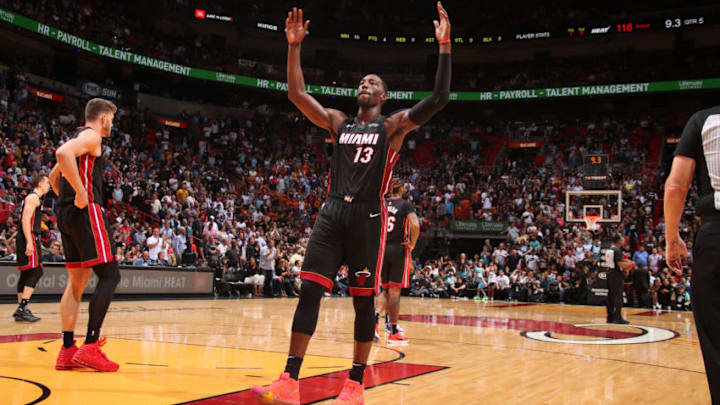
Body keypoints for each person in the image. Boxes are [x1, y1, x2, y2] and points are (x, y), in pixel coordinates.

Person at [253, 3, 451, 404]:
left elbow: (439, 98)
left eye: (372, 81)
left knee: (363, 304)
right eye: (361, 80)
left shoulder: (392, 126)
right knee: (309, 292)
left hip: (369, 216)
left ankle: (356, 384)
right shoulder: (338, 122)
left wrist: (445, 46)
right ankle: (289, 379)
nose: (364, 83)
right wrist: (294, 47)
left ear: (383, 95)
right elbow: (296, 93)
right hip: (331, 213)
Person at [51, 98, 121, 372]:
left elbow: (55, 177)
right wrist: (81, 192)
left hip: (67, 216)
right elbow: (61, 155)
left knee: (76, 283)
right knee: (110, 275)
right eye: (112, 119)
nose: (113, 124)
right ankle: (90, 346)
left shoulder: (79, 137)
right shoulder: (91, 136)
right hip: (86, 211)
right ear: (103, 117)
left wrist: (68, 200)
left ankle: (68, 350)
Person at [664, 104, 720, 402]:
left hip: (715, 235)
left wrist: (672, 240)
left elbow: (675, 187)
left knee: (715, 340)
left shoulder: (702, 120)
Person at [374, 178, 419, 343]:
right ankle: (393, 330)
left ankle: (373, 323)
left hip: (382, 248)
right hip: (397, 248)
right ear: (401, 190)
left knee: (384, 291)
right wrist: (412, 245)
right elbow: (415, 225)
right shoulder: (405, 204)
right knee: (394, 292)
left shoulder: (382, 203)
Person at [13, 175, 50, 322]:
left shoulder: (33, 198)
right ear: (40, 184)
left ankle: (22, 309)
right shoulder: (33, 198)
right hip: (29, 237)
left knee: (26, 273)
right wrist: (29, 241)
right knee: (36, 270)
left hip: (26, 236)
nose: (49, 186)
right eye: (47, 183)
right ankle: (22, 307)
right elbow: (25, 219)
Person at [599, 235, 635, 324]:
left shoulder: (609, 249)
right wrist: (631, 265)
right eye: (622, 239)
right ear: (619, 241)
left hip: (609, 273)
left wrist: (626, 262)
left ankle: (610, 317)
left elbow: (618, 261)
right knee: (618, 297)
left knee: (610, 297)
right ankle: (618, 318)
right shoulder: (617, 250)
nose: (623, 241)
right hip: (616, 274)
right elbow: (620, 264)